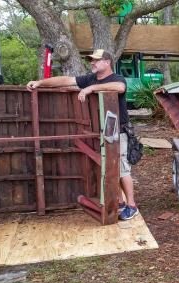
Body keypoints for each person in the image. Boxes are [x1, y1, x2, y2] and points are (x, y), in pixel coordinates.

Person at [26, 49, 139, 221]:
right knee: (110, 169)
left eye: (96, 60)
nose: (92, 63)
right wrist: (40, 82)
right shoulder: (90, 78)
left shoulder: (116, 79)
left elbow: (120, 87)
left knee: (122, 169)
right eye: (91, 60)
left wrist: (91, 88)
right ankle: (121, 202)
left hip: (119, 132)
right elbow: (66, 80)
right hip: (102, 132)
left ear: (107, 62)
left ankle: (132, 205)